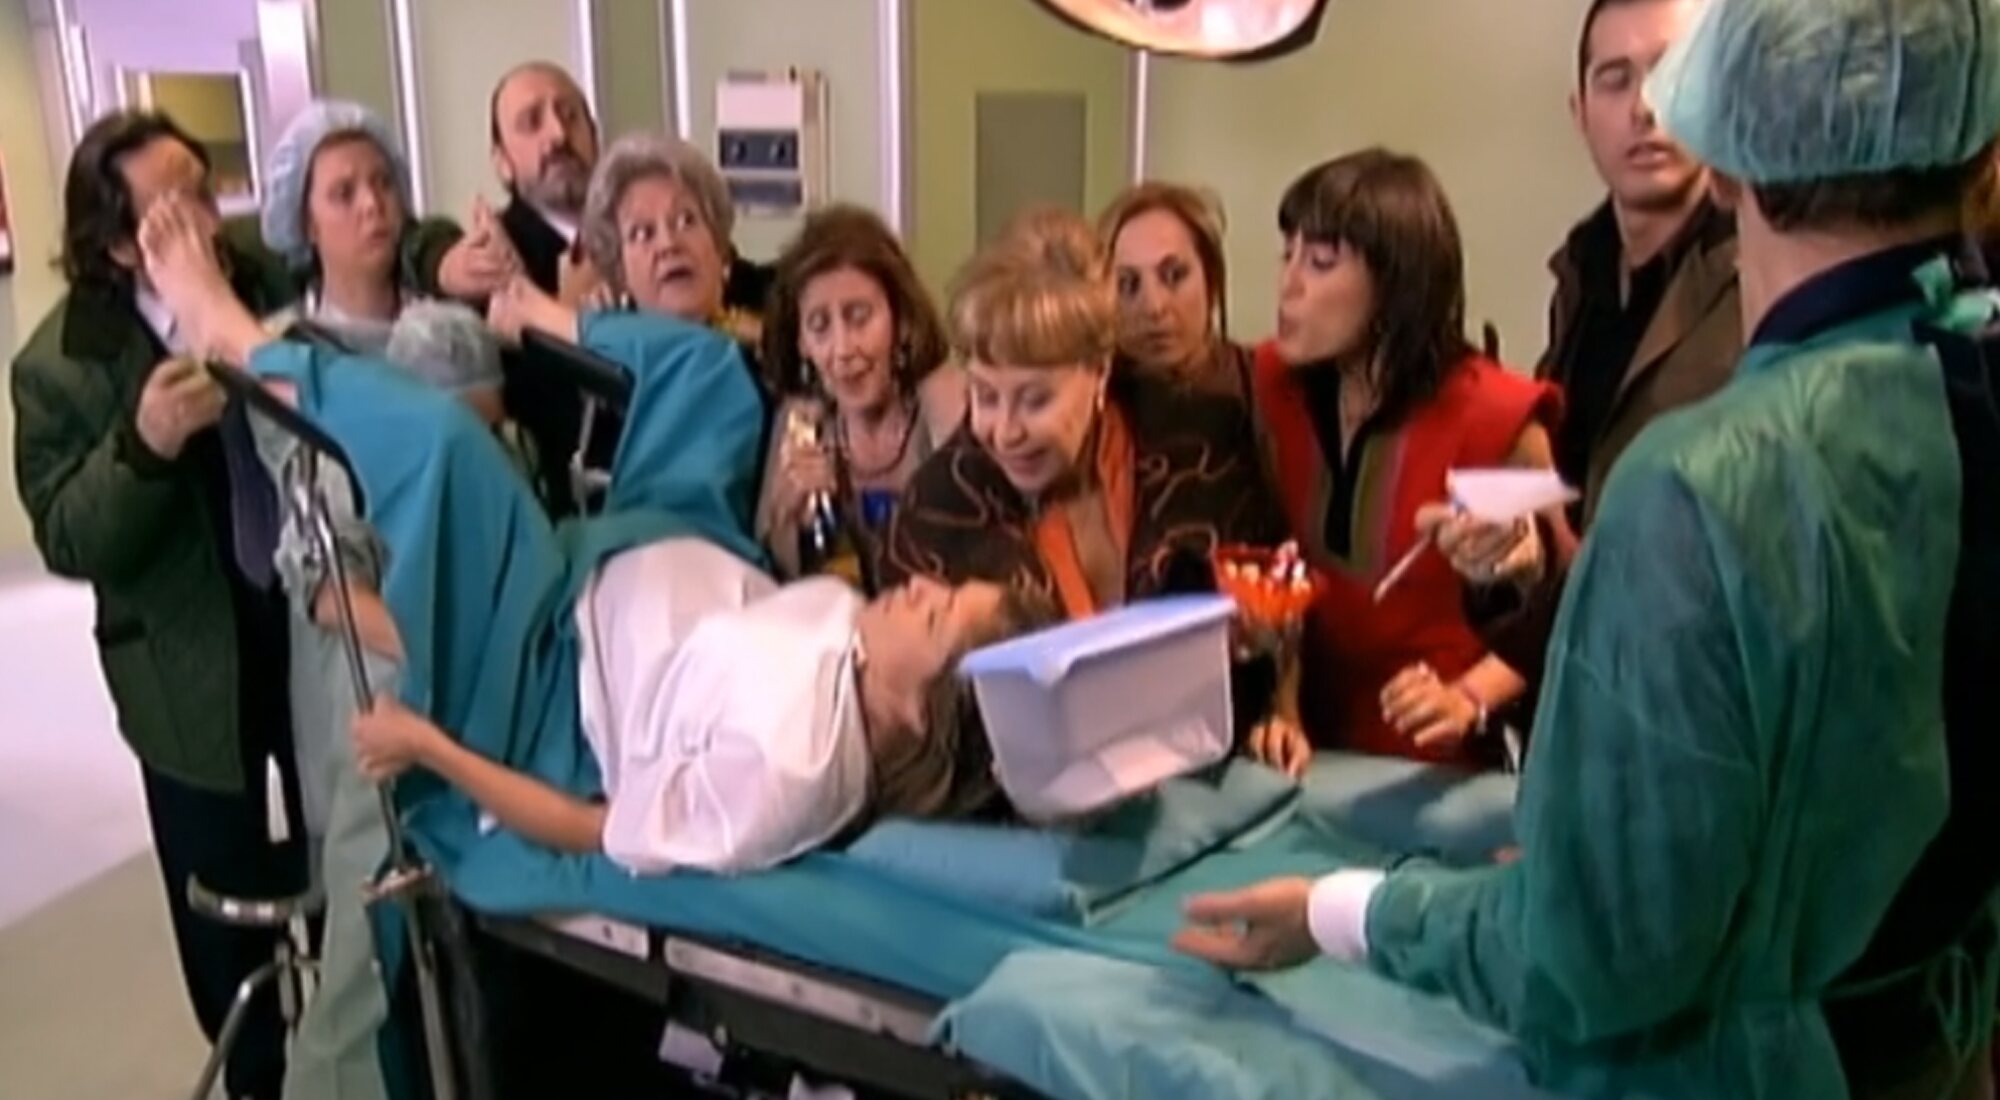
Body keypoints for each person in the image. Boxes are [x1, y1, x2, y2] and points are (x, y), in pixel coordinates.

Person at [1175, 2, 2000, 1097]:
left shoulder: (1708, 480)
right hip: (1932, 1044)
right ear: (1981, 157)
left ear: (1728, 155)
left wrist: (1338, 909)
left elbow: (1586, 951)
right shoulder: (1954, 383)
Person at [134, 189, 1046, 872]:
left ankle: (235, 335)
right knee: (710, 372)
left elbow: (593, 827)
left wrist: (429, 747)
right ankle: (535, 311)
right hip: (679, 543)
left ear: (916, 713)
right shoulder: (869, 648)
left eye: (937, 616)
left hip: (555, 647)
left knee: (443, 444)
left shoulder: (789, 773)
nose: (922, 589)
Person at [9, 109, 304, 1100]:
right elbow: (66, 536)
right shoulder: (57, 363)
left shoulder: (262, 280)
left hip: (305, 630)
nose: (206, 214)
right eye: (174, 202)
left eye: (203, 185)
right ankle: (257, 1074)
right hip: (182, 668)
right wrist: (141, 447)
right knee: (219, 901)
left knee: (340, 849)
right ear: (118, 243)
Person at [877, 208, 1303, 773]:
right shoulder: (937, 510)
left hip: (1208, 770)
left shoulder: (1204, 446)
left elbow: (1276, 609)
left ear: (1099, 372)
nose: (1004, 431)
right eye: (985, 396)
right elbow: (923, 726)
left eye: (1035, 400)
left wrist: (1278, 709)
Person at [1435, 0, 1742, 708]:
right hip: (1596, 700)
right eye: (1615, 79)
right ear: (1580, 113)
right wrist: (1512, 554)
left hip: (1712, 698)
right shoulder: (1582, 276)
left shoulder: (1763, 272)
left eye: (1672, 72)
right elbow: (1573, 539)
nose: (1645, 107)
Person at [1249, 150, 1566, 769]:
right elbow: (1274, 571)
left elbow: (1567, 604)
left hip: (1436, 760)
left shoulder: (1497, 413)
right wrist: (1279, 706)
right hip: (1301, 754)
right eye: (1287, 254)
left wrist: (1469, 698)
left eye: (1320, 262)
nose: (1288, 285)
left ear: (1397, 283)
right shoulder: (1269, 384)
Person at [754, 204, 966, 585]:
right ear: (802, 343)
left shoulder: (941, 398)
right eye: (820, 326)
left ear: (901, 319)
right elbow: (785, 581)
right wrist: (791, 518)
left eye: (859, 317)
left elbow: (975, 551)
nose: (842, 349)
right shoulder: (802, 422)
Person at [1098, 181, 1252, 399]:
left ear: (1211, 280)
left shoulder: (1268, 389)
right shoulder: (1087, 400)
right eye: (1127, 284)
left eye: (1174, 276)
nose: (1154, 307)